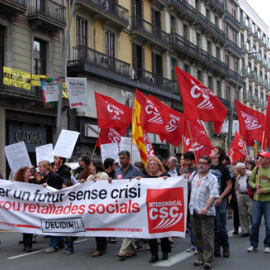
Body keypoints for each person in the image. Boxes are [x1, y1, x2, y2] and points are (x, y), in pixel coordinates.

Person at [189, 156, 219, 270]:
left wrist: (206, 207)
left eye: (204, 163)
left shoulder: (212, 178)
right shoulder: (194, 175)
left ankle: (208, 260)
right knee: (197, 235)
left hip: (206, 212)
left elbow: (213, 195)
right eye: (199, 163)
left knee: (207, 236)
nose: (201, 165)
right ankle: (200, 257)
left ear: (209, 165)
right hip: (194, 210)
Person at [114, 150, 143, 259]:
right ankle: (132, 250)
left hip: (133, 202)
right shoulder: (117, 171)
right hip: (121, 202)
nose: (121, 160)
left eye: (123, 158)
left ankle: (123, 250)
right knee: (125, 225)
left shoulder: (136, 171)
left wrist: (137, 181)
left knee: (128, 225)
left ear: (128, 159)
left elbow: (143, 184)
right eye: (120, 158)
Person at [145, 156, 171, 263]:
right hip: (150, 207)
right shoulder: (145, 178)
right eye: (150, 164)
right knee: (151, 232)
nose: (152, 166)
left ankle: (165, 251)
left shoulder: (165, 176)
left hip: (162, 207)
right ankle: (154, 254)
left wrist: (166, 180)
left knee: (163, 230)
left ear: (159, 165)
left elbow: (171, 185)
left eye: (154, 164)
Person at [209, 147, 232, 258]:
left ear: (218, 155)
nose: (211, 151)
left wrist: (221, 197)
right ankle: (216, 248)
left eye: (214, 150)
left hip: (220, 201)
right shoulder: (208, 166)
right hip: (209, 200)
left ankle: (225, 247)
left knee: (220, 225)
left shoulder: (224, 168)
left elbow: (229, 185)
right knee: (212, 226)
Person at [85, 160, 109, 257]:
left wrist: (98, 184)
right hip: (92, 204)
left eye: (91, 166)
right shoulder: (89, 177)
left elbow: (106, 188)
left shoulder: (103, 175)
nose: (89, 168)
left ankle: (100, 247)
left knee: (99, 225)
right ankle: (102, 245)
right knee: (95, 225)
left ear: (96, 166)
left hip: (100, 204)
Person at [39, 160, 64, 253]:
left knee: (53, 223)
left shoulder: (54, 176)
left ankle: (53, 245)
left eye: (41, 166)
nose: (39, 168)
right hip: (49, 204)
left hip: (55, 204)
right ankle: (61, 243)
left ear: (46, 167)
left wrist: (48, 186)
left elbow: (60, 188)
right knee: (54, 223)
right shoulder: (44, 176)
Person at [247, 151, 270, 253]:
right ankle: (253, 244)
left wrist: (264, 190)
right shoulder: (256, 169)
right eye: (259, 157)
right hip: (257, 200)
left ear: (268, 160)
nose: (260, 159)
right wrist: (254, 185)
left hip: (268, 200)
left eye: (262, 157)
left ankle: (268, 245)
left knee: (269, 224)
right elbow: (250, 181)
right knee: (255, 223)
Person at [14, 166, 39, 252]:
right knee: (24, 226)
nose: (30, 173)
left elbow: (40, 189)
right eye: (28, 172)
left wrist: (35, 180)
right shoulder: (17, 184)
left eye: (30, 172)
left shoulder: (33, 182)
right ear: (23, 175)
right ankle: (25, 243)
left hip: (31, 208)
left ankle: (29, 245)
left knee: (30, 226)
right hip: (22, 208)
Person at [235, 163, 253, 237]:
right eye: (237, 171)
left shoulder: (250, 174)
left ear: (244, 169)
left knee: (251, 211)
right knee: (242, 213)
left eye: (240, 171)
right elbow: (236, 187)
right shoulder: (238, 176)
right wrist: (237, 195)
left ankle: (253, 226)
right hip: (241, 195)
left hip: (249, 195)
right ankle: (245, 231)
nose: (239, 173)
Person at [62, 179, 77, 254]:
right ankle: (68, 246)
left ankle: (70, 248)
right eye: (62, 188)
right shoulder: (62, 196)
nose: (63, 189)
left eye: (64, 187)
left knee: (69, 234)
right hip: (65, 216)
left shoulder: (74, 196)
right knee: (67, 233)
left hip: (71, 216)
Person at [230, 166, 240, 235]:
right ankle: (236, 228)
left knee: (242, 213)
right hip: (234, 198)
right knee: (235, 213)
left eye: (235, 171)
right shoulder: (231, 180)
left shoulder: (241, 178)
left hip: (241, 196)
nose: (234, 172)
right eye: (233, 171)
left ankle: (243, 226)